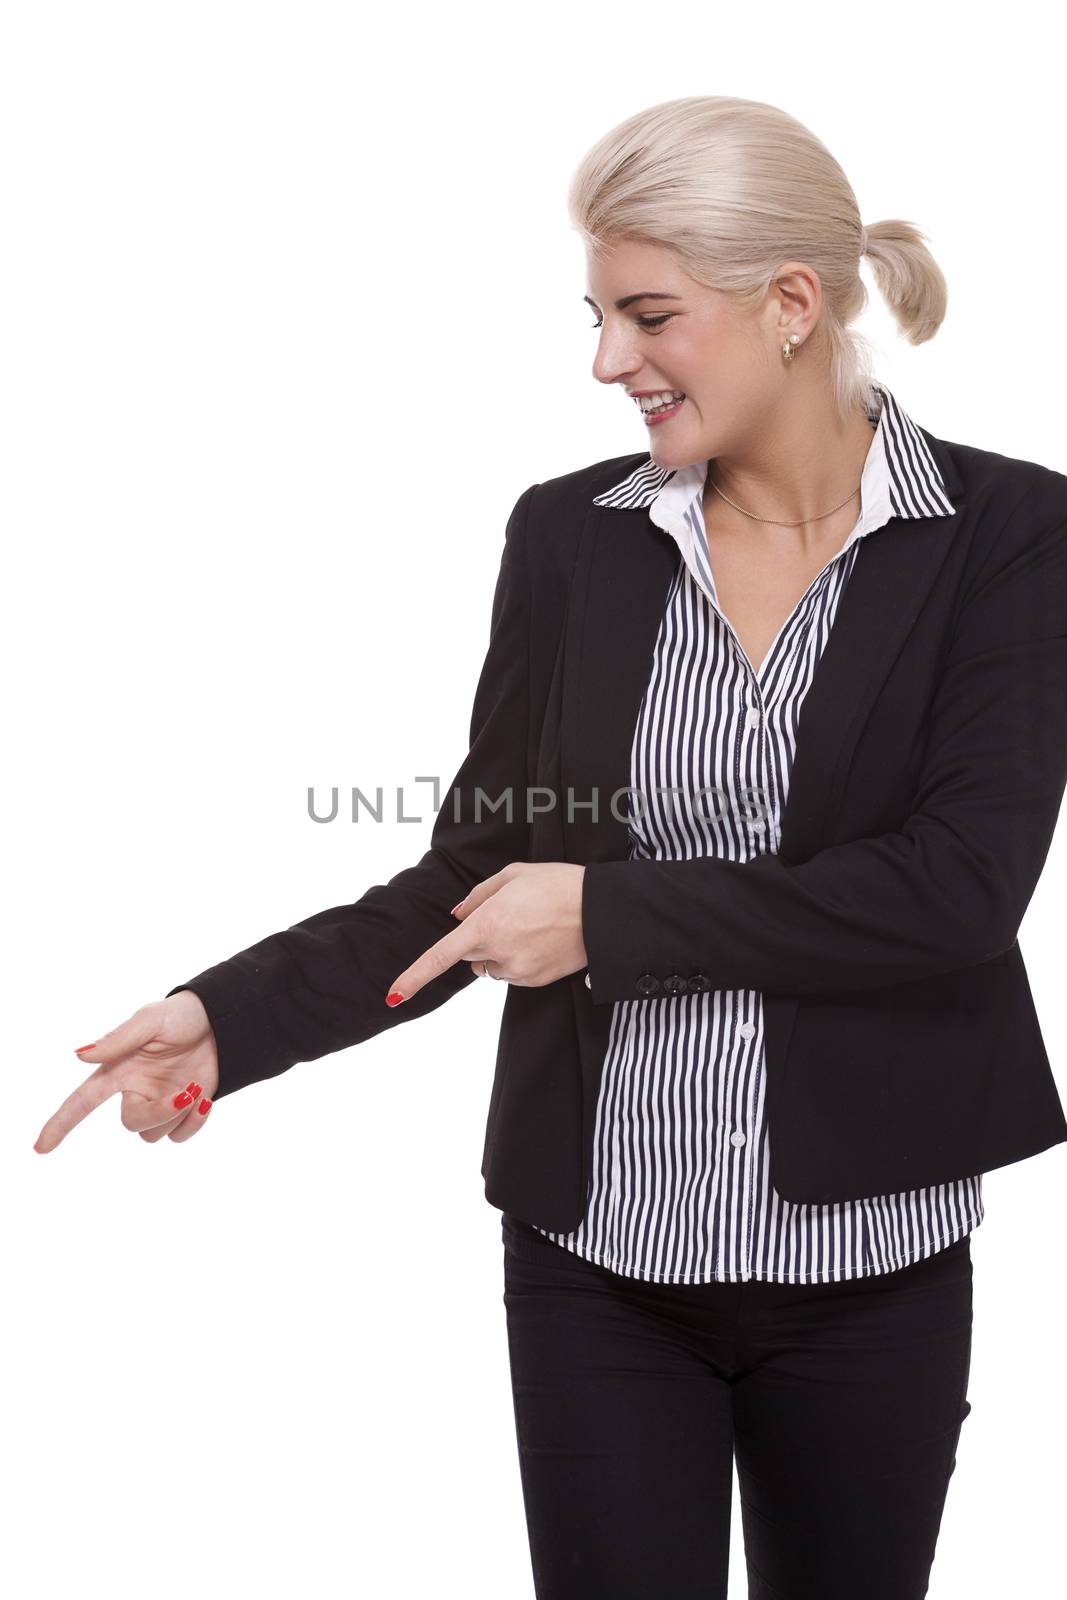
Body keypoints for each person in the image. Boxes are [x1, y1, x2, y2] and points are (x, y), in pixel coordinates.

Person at [34, 94, 1067, 1599]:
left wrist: (613, 920)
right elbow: (481, 877)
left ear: (790, 306)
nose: (606, 361)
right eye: (595, 315)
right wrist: (225, 1018)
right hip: (597, 1262)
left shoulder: (1008, 534)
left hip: (875, 1264)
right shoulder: (573, 536)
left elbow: (957, 892)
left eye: (649, 315)